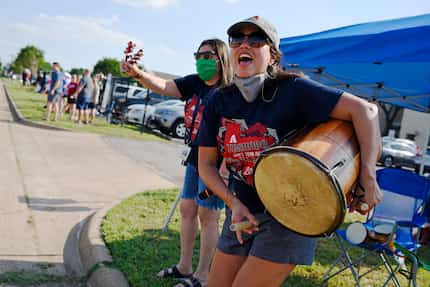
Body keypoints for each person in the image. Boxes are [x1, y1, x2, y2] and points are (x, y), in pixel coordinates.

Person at [197, 16, 383, 287]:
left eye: (256, 40)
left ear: (272, 56)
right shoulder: (219, 100)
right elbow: (206, 166)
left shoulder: (292, 90)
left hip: (293, 213)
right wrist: (233, 204)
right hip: (241, 211)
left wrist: (367, 175)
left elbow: (365, 111)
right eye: (237, 39)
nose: (244, 44)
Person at [122, 38, 232, 287]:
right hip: (196, 155)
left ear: (221, 57)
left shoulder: (230, 90)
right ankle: (185, 266)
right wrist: (137, 73)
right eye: (198, 55)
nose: (201, 60)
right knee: (187, 209)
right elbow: (163, 85)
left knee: (209, 214)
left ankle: (204, 276)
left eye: (208, 56)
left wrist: (225, 169)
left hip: (218, 161)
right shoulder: (194, 82)